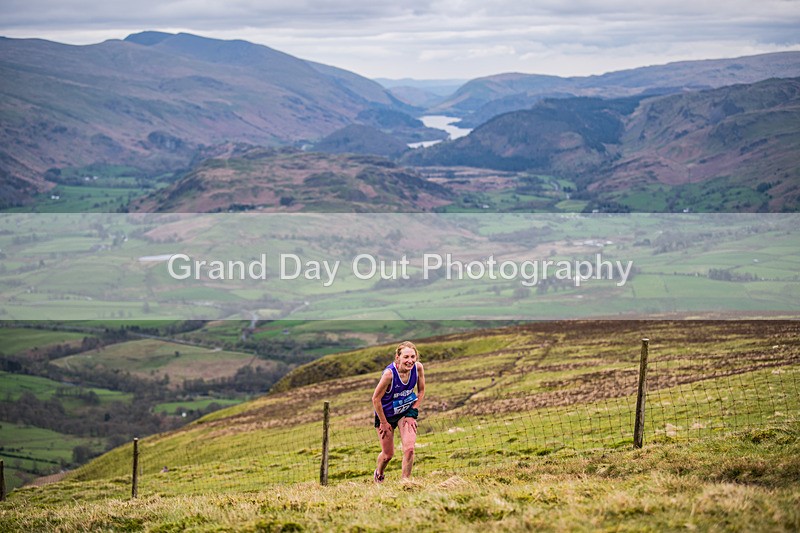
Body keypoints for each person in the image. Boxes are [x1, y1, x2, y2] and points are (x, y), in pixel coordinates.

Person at [371, 340, 425, 483]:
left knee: (410, 449)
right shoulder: (389, 375)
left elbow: (421, 391)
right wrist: (383, 422)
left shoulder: (418, 368)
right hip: (386, 416)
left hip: (404, 413)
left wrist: (412, 413)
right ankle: (379, 473)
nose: (410, 361)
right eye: (406, 357)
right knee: (388, 455)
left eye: (413, 357)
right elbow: (376, 399)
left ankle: (405, 483)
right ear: (398, 357)